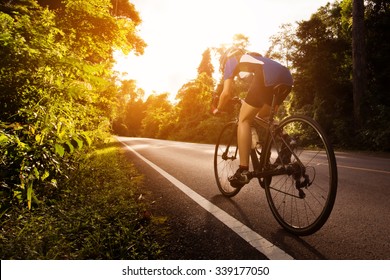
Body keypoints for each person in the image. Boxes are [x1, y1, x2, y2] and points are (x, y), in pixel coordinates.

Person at [213, 47, 293, 187]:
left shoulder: (230, 61)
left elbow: (226, 93)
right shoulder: (254, 59)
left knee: (244, 119)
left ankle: (243, 170)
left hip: (266, 78)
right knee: (263, 116)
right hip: (286, 78)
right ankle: (287, 139)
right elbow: (257, 90)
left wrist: (218, 109)